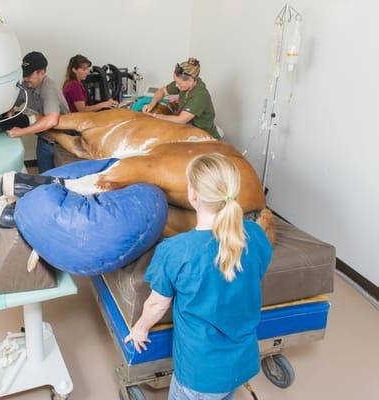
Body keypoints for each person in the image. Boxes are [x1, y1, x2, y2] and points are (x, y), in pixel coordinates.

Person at [124, 153, 272, 400]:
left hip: (199, 373)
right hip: (241, 362)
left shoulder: (175, 250)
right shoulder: (256, 234)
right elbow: (254, 272)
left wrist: (140, 329)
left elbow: (157, 304)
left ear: (193, 195)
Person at [0, 51, 70, 173]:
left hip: (63, 142)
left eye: (29, 75)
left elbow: (51, 120)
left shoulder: (49, 89)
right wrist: (9, 111)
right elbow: (12, 104)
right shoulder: (25, 84)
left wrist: (22, 131)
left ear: (42, 72)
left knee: (61, 179)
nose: (25, 78)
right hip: (44, 138)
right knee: (44, 177)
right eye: (24, 74)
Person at [142, 58, 220, 139]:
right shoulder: (185, 83)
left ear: (191, 80)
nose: (176, 85)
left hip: (204, 133)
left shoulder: (200, 96)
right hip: (189, 126)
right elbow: (162, 91)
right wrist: (151, 104)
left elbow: (181, 120)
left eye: (179, 83)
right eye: (175, 81)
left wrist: (155, 116)